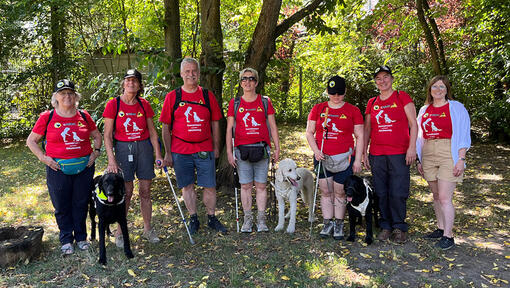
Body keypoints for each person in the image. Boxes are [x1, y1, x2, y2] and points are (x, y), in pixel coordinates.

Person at [26, 79, 102, 255]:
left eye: (70, 93)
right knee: (61, 204)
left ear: (75, 96)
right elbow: (31, 141)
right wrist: (44, 158)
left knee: (81, 203)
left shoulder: (84, 115)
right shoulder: (48, 117)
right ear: (56, 97)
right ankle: (66, 239)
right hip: (57, 169)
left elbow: (97, 136)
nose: (67, 96)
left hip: (84, 168)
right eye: (63, 93)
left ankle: (81, 238)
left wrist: (96, 152)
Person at [159, 57, 227, 234]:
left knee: (209, 185)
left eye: (194, 71)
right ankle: (193, 218)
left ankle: (212, 218)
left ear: (198, 73)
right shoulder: (173, 97)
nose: (191, 74)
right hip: (180, 150)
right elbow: (165, 127)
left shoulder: (207, 95)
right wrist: (167, 153)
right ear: (181, 74)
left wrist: (216, 146)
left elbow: (215, 123)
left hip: (205, 148)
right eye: (187, 71)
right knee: (187, 185)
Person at [103, 69, 163, 246]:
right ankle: (120, 232)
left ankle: (147, 230)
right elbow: (107, 135)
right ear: (123, 83)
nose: (131, 83)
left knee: (145, 191)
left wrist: (158, 154)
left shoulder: (144, 104)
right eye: (128, 80)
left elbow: (153, 133)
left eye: (135, 81)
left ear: (139, 85)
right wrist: (111, 159)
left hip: (143, 147)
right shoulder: (113, 104)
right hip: (123, 149)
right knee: (126, 192)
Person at [363, 65, 417, 243]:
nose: (382, 81)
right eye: (378, 78)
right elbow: (367, 129)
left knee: (398, 190)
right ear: (375, 82)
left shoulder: (402, 97)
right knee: (381, 191)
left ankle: (399, 227)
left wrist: (412, 148)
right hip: (377, 154)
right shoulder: (372, 103)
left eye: (386, 77)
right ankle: (385, 226)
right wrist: (364, 152)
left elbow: (414, 124)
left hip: (399, 153)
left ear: (392, 79)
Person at [306, 76, 364, 239]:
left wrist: (357, 159)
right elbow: (309, 132)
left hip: (344, 158)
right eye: (332, 93)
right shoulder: (318, 109)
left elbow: (360, 135)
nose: (336, 97)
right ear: (327, 92)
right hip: (323, 157)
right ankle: (327, 223)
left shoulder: (353, 110)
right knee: (326, 191)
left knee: (339, 192)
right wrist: (316, 151)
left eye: (339, 93)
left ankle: (339, 224)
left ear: (345, 91)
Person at [416, 75, 471, 250]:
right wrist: (419, 158)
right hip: (428, 151)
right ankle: (440, 229)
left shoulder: (456, 108)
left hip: (449, 151)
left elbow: (463, 133)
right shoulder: (424, 110)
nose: (438, 90)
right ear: (429, 90)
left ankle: (449, 236)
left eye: (442, 87)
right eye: (435, 87)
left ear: (447, 90)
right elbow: (419, 136)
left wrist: (461, 159)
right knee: (436, 196)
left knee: (445, 197)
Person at [226, 68, 280, 233]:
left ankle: (261, 220)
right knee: (245, 186)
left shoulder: (264, 101)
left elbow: (272, 126)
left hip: (261, 150)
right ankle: (247, 220)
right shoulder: (235, 103)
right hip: (242, 151)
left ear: (256, 82)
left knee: (261, 186)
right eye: (244, 79)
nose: (247, 82)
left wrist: (277, 147)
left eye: (251, 79)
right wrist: (229, 152)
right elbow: (229, 129)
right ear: (241, 82)